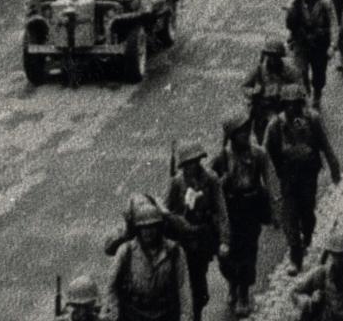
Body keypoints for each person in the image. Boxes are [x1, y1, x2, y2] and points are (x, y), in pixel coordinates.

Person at [263, 85, 340, 276]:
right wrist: (270, 184)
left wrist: (334, 168)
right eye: (288, 105)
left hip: (308, 176)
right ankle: (295, 258)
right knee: (289, 217)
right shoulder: (275, 126)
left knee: (307, 213)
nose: (292, 109)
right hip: (287, 179)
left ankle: (307, 235)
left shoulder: (312, 119)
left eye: (296, 104)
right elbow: (265, 156)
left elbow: (325, 144)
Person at [211, 112, 279, 318]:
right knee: (226, 256)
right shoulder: (221, 159)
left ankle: (243, 294)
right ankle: (232, 282)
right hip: (228, 211)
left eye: (246, 131)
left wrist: (275, 210)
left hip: (250, 209)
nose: (245, 136)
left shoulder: (258, 154)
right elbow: (210, 186)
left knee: (248, 253)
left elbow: (270, 181)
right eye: (240, 133)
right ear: (231, 136)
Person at [164, 143, 230, 321]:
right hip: (182, 239)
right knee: (183, 282)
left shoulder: (211, 179)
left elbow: (221, 210)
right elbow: (166, 212)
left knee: (199, 283)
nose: (191, 167)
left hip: (202, 238)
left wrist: (224, 240)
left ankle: (197, 313)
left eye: (194, 162)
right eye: (187, 163)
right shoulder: (177, 182)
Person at [106, 202, 193, 321]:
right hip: (134, 312)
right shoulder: (126, 251)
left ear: (159, 227)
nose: (148, 232)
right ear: (138, 229)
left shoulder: (175, 251)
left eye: (152, 227)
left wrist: (186, 315)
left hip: (165, 312)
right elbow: (111, 284)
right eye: (143, 227)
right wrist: (113, 309)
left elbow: (183, 286)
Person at [289, 229, 343, 321]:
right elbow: (295, 292)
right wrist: (310, 302)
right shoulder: (321, 274)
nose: (340, 260)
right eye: (336, 255)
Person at [287, 0, 336, 109]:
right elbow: (292, 24)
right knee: (300, 71)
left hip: (320, 44)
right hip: (301, 44)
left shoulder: (326, 3)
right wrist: (291, 37)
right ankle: (305, 95)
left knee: (319, 73)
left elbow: (333, 25)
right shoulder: (297, 3)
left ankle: (317, 94)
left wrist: (332, 45)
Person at [242, 38, 301, 144]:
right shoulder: (259, 70)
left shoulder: (289, 70)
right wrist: (254, 91)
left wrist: (286, 91)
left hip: (284, 107)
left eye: (276, 56)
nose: (273, 59)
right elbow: (245, 87)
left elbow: (300, 86)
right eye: (270, 56)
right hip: (263, 110)